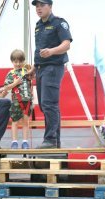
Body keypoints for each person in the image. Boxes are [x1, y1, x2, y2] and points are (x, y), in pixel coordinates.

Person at [28, 0, 72, 149]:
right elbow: (39, 49)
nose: (39, 8)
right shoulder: (38, 25)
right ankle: (54, 141)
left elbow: (67, 44)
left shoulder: (59, 23)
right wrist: (34, 68)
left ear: (50, 6)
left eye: (42, 5)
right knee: (44, 105)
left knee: (49, 104)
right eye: (37, 6)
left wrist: (52, 51)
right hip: (41, 68)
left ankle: (50, 140)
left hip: (53, 67)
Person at [4, 49, 33, 149]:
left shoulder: (27, 71)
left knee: (26, 122)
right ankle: (14, 142)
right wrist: (15, 83)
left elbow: (33, 75)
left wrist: (32, 69)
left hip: (27, 101)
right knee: (15, 122)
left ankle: (25, 141)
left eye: (20, 61)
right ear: (12, 61)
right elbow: (6, 87)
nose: (18, 64)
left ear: (23, 61)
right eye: (15, 61)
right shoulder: (11, 74)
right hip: (17, 101)